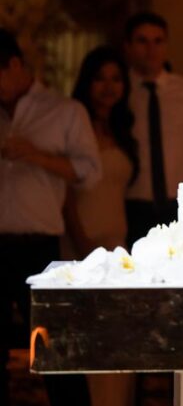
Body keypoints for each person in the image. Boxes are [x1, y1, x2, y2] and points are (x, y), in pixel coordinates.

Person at [0, 28, 98, 406]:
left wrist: (35, 155)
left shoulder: (64, 111)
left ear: (14, 65)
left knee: (57, 351)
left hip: (38, 247)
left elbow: (91, 172)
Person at [64, 46, 137, 406]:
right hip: (80, 244)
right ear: (86, 82)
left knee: (118, 339)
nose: (108, 87)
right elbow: (64, 194)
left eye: (115, 79)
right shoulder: (75, 127)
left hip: (117, 246)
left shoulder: (125, 129)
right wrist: (81, 243)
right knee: (87, 340)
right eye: (99, 79)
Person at [122, 12, 183, 246]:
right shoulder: (120, 93)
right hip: (132, 204)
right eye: (142, 41)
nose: (151, 49)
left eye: (158, 41)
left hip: (180, 202)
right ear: (128, 46)